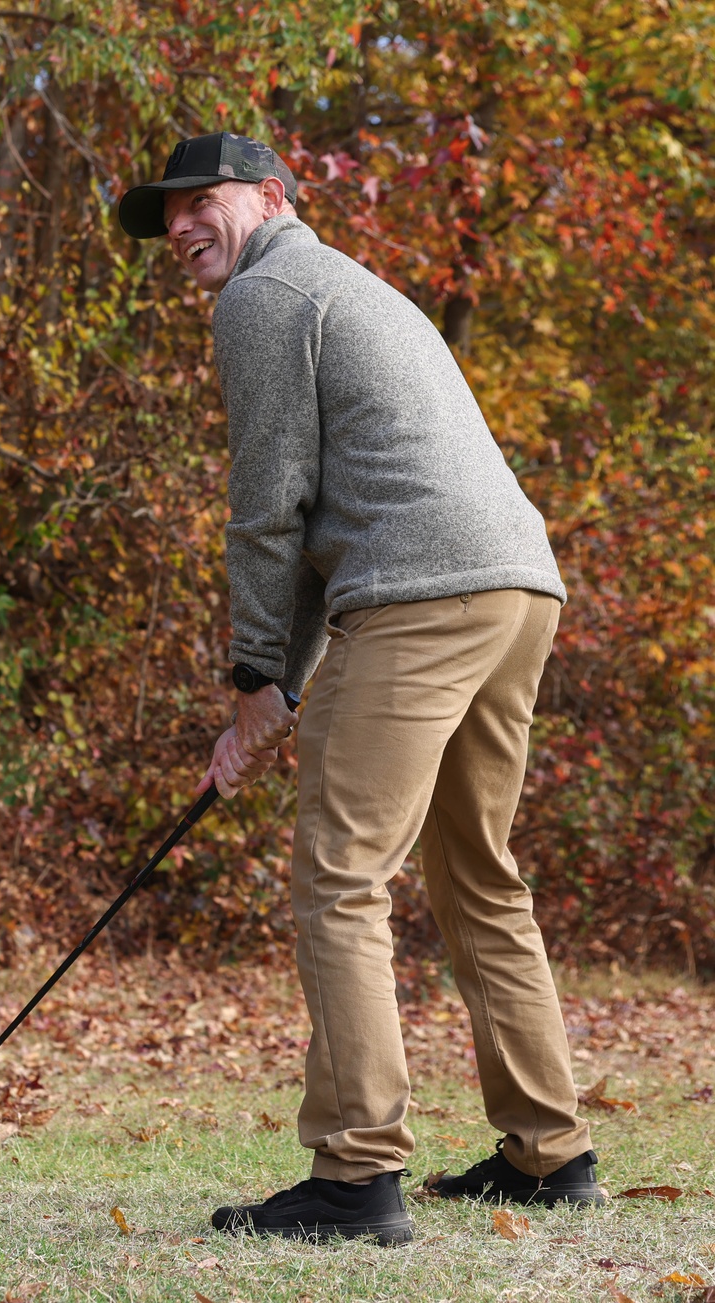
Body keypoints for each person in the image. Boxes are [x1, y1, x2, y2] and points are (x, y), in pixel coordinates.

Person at [118, 132, 602, 1247]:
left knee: (341, 876)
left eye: (203, 202)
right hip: (516, 586)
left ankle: (353, 1175)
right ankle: (548, 1151)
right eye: (168, 216)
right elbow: (325, 501)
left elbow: (268, 505)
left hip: (421, 593)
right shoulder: (345, 284)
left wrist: (252, 680)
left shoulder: (265, 291)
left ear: (271, 198)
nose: (183, 227)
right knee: (477, 873)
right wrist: (271, 687)